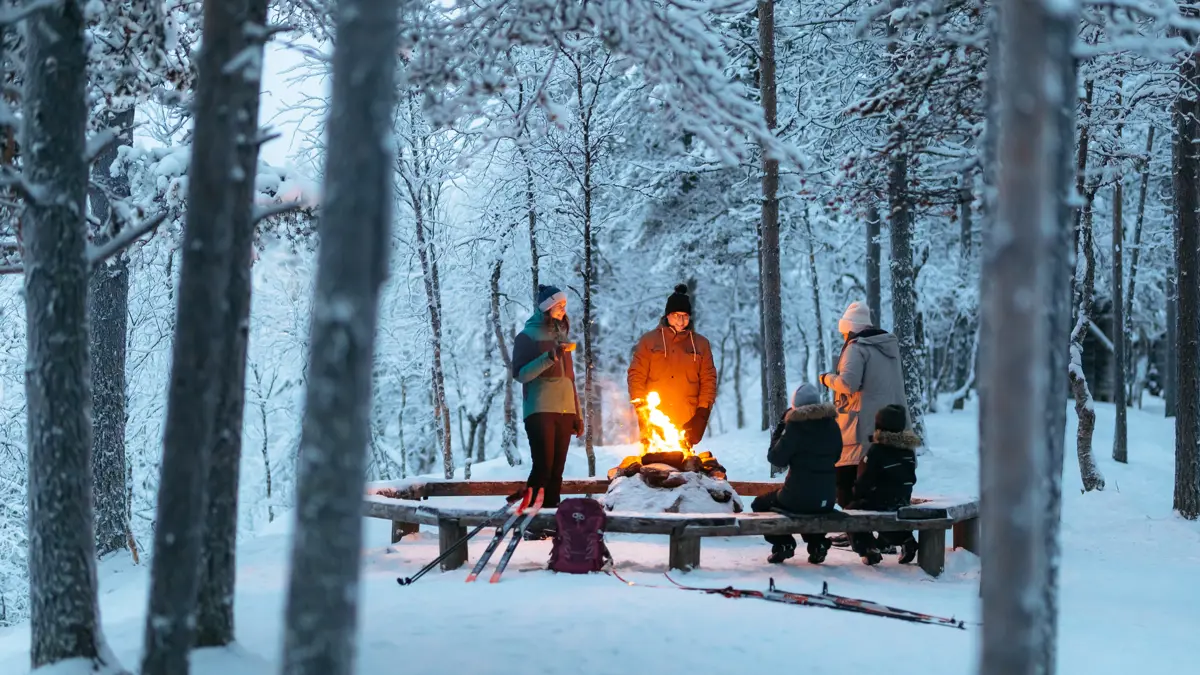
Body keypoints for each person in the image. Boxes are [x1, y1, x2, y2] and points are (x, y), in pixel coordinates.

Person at [818, 301, 910, 510]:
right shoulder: (888, 348)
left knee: (846, 487)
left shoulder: (856, 348)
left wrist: (826, 378)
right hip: (888, 427)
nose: (844, 337)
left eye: (844, 333)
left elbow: (848, 384)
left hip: (859, 430)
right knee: (878, 488)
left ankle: (856, 529)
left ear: (850, 328)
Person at [511, 284, 584, 526]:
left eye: (564, 305)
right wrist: (550, 357)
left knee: (557, 472)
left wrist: (577, 415)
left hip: (565, 411)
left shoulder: (562, 337)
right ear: (546, 308)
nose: (563, 309)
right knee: (543, 467)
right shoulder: (527, 336)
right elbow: (521, 374)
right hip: (540, 408)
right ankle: (531, 521)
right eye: (558, 305)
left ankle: (552, 521)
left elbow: (570, 380)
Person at [749, 384, 842, 565]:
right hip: (827, 497)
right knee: (812, 508)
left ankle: (783, 543)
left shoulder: (795, 426)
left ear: (795, 406)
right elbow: (837, 456)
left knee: (760, 504)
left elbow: (776, 458)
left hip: (796, 497)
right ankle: (817, 543)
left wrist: (781, 427)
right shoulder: (832, 425)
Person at [627, 284, 717, 448]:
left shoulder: (701, 344)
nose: (681, 321)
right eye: (676, 315)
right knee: (655, 461)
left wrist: (702, 413)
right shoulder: (649, 341)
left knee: (682, 462)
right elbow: (636, 375)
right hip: (654, 418)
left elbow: (708, 380)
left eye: (685, 316)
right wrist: (642, 410)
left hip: (687, 420)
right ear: (667, 315)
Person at [848, 405, 921, 565]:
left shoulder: (877, 450)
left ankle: (868, 548)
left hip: (881, 502)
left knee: (851, 513)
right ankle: (905, 539)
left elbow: (864, 481)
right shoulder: (908, 451)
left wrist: (856, 493)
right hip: (902, 501)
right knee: (887, 511)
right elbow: (911, 478)